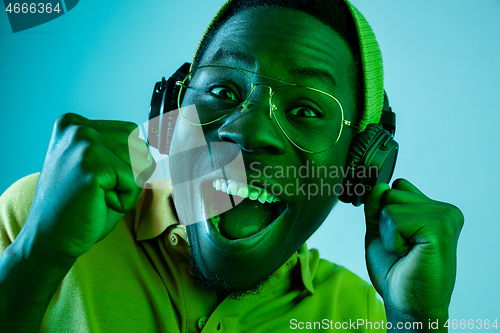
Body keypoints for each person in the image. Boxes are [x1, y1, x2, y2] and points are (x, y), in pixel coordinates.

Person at [0, 0, 464, 331]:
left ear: (359, 167)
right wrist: (37, 255)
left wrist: (417, 324)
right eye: (222, 91)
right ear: (169, 113)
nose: (249, 131)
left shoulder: (357, 312)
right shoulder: (39, 219)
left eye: (306, 109)